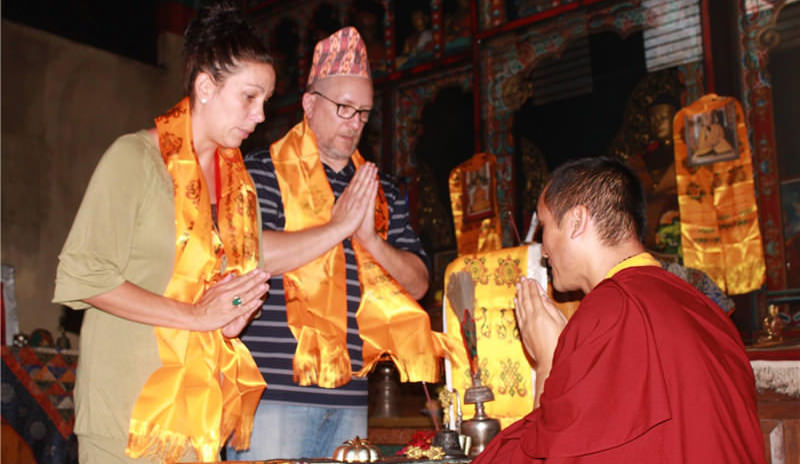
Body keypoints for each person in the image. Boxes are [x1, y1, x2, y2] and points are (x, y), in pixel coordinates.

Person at [52, 3, 275, 462]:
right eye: (250, 97)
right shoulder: (134, 159)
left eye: (266, 102)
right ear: (205, 87)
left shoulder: (240, 187)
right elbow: (85, 274)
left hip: (198, 410)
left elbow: (215, 298)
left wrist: (231, 319)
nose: (260, 116)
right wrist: (196, 316)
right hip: (126, 410)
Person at [231, 27, 451, 460]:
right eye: (344, 108)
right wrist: (337, 228)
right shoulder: (260, 173)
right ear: (310, 104)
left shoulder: (377, 188)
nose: (355, 124)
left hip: (350, 395)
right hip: (272, 394)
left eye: (364, 114)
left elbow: (419, 282)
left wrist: (369, 237)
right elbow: (252, 254)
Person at [473, 156, 765, 463]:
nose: (543, 250)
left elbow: (548, 453)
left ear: (576, 221)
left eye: (544, 227)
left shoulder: (610, 311)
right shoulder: (702, 306)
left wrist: (548, 362)